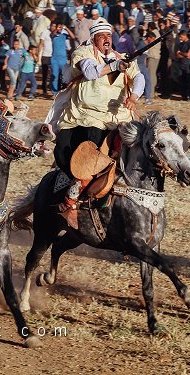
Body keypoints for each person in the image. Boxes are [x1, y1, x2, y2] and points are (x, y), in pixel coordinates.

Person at [49, 21, 144, 228]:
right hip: (83, 117)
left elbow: (139, 78)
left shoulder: (121, 58)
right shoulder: (82, 53)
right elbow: (91, 72)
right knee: (74, 155)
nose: (106, 39)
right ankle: (71, 199)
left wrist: (134, 96)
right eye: (101, 36)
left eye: (108, 36)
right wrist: (113, 66)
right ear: (93, 39)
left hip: (116, 119)